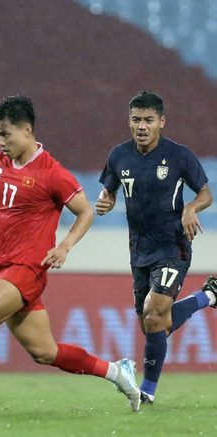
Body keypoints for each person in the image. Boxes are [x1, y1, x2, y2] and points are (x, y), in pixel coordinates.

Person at [0, 95, 140, 413]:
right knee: (45, 352)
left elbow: (85, 211)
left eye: (6, 134)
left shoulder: (52, 172)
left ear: (27, 130)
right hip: (5, 267)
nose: (0, 141)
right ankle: (119, 373)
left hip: (29, 268)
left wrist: (64, 246)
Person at [96, 90, 217, 405]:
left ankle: (146, 393)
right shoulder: (118, 155)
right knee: (154, 326)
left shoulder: (179, 155)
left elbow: (206, 194)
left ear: (161, 122)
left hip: (173, 246)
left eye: (149, 120)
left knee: (153, 315)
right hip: (139, 251)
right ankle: (209, 296)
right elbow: (109, 190)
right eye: (136, 119)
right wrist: (105, 201)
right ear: (129, 121)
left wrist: (191, 208)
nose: (142, 126)